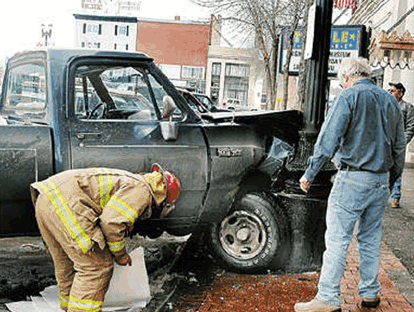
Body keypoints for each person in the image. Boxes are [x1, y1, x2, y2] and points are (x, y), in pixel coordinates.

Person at [295, 57, 406, 312]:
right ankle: (370, 293)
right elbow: (400, 147)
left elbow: (328, 139)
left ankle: (328, 298)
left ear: (345, 77)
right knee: (370, 238)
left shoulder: (347, 97)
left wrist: (310, 173)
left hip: (352, 178)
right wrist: (391, 180)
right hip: (380, 180)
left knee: (337, 239)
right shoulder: (391, 101)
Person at [30, 164, 181, 312]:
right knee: (97, 266)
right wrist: (120, 255)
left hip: (45, 199)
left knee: (66, 263)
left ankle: (67, 306)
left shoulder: (131, 180)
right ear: (163, 199)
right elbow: (112, 223)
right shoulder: (142, 191)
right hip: (65, 205)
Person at [388, 82, 414, 208]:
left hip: (398, 143)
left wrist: (403, 142)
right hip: (386, 142)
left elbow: (411, 126)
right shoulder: (387, 105)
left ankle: (395, 197)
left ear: (400, 92)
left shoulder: (407, 107)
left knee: (397, 169)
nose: (390, 93)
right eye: (389, 90)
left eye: (392, 91)